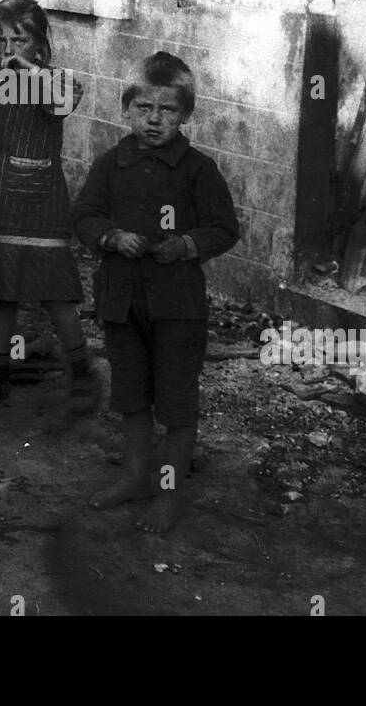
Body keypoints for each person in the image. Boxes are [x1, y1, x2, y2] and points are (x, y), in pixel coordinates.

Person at [71, 51, 240, 533]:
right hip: (121, 301)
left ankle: (168, 493)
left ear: (185, 114)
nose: (154, 118)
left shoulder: (198, 170)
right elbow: (83, 215)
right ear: (126, 109)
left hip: (177, 306)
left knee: (177, 402)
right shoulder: (110, 165)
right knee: (131, 396)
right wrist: (110, 236)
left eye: (167, 110)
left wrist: (186, 244)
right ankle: (134, 477)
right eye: (144, 107)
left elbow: (224, 228)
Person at [0, 0, 99, 412]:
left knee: (53, 290)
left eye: (20, 40)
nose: (9, 50)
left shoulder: (56, 79)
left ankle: (82, 369)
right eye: (0, 41)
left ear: (40, 43)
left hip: (40, 200)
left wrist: (30, 72)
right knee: (3, 290)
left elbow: (62, 102)